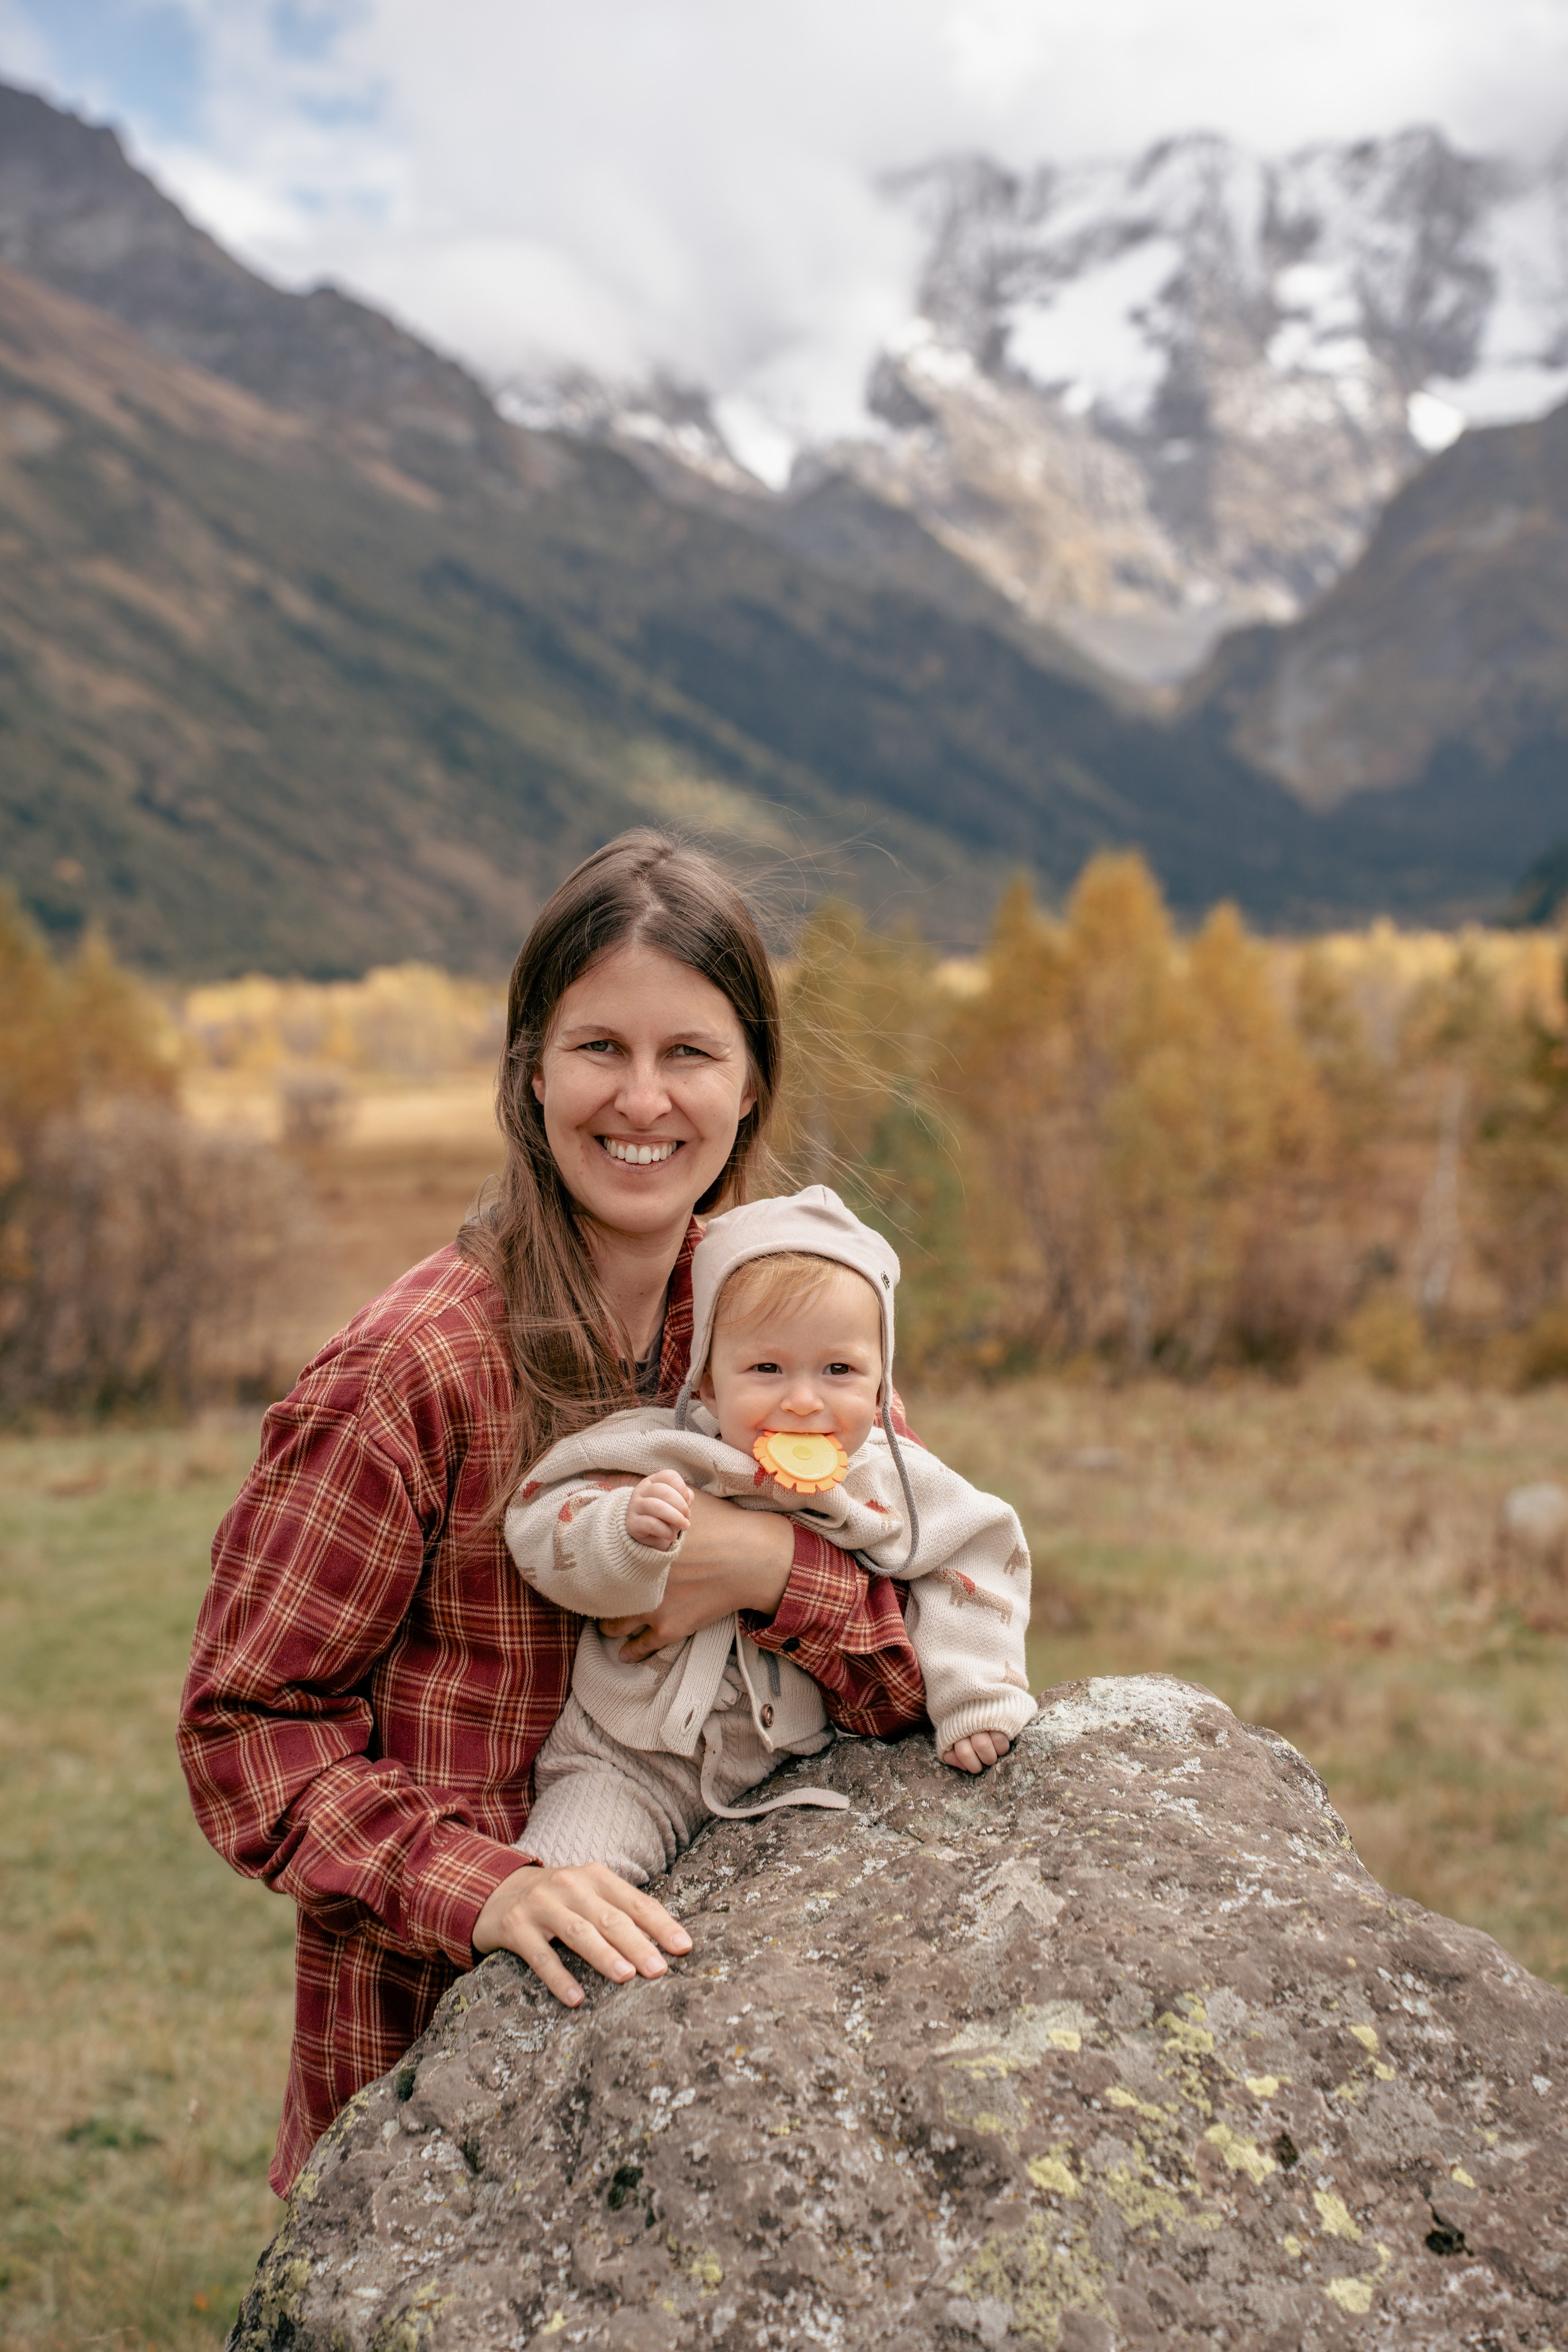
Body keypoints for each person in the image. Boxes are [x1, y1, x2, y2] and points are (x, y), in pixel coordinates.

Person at [176, 833, 927, 2198]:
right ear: (530, 1072)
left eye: (689, 1053)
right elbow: (244, 1736)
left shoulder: (792, 1324)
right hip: (430, 2081)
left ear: (751, 1079)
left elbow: (922, 1636)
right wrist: (485, 1886)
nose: (642, 1099)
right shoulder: (408, 1371)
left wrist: (762, 1563)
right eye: (599, 1048)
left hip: (730, 2058)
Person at [506, 1186, 1038, 1883]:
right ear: (709, 1386)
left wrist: (974, 1699)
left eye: (839, 1371)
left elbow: (979, 1550)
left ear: (880, 1386)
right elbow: (539, 1514)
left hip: (796, 1769)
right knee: (570, 1882)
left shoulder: (887, 1475)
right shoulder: (667, 1452)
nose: (804, 1399)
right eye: (767, 1369)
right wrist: (624, 1533)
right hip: (627, 1761)